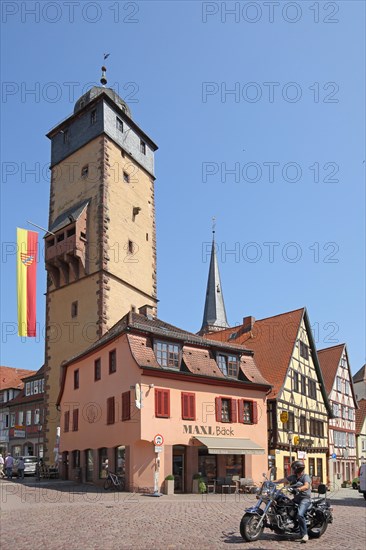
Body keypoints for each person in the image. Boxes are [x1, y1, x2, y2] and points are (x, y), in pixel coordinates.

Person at [274, 460, 312, 543]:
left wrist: (298, 489)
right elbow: (282, 480)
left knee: (300, 514)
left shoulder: (305, 476)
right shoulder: (293, 477)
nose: (292, 470)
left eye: (293, 468)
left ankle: (305, 534)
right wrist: (270, 482)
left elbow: (306, 486)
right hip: (296, 499)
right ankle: (289, 525)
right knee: (285, 506)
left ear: (296, 468)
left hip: (305, 499)